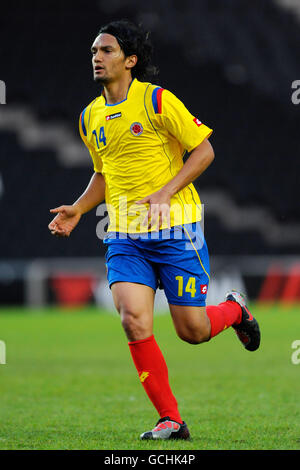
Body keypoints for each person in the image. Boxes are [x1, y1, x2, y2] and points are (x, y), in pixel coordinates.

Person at [48, 19, 260, 440]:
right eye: (93, 50)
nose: (96, 57)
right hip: (124, 234)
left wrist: (166, 192)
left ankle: (235, 309)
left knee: (192, 332)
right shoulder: (90, 117)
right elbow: (104, 175)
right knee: (133, 321)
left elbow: (204, 150)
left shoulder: (158, 101)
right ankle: (171, 420)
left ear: (130, 60)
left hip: (176, 229)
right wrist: (77, 207)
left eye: (106, 50)